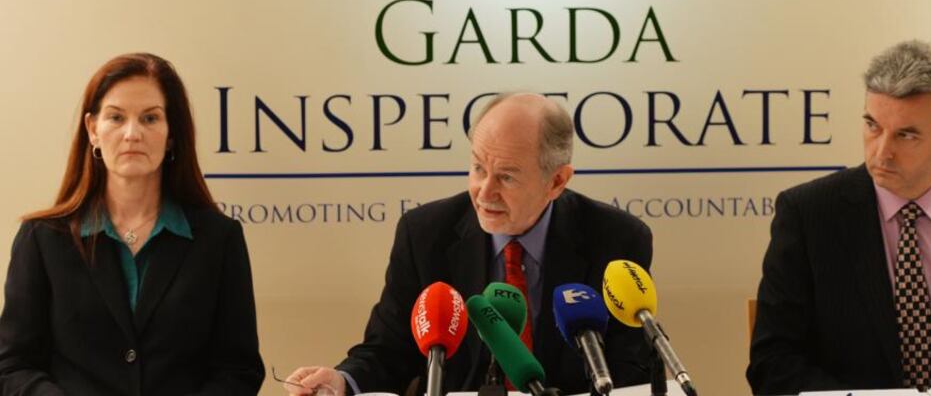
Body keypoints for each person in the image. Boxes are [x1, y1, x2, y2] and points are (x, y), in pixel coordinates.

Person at [284, 92, 653, 394]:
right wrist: (342, 382)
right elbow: (389, 350)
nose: (484, 191)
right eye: (478, 168)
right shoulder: (425, 234)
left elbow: (629, 365)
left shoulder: (617, 239)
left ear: (557, 181)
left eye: (506, 177)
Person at [748, 40, 931, 394]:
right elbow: (774, 361)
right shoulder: (808, 213)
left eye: (905, 135)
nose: (882, 152)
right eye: (872, 125)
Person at [0, 53, 265, 395]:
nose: (132, 134)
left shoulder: (219, 238)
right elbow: (12, 366)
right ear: (93, 130)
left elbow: (238, 369)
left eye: (150, 118)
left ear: (171, 135)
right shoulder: (42, 239)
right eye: (115, 117)